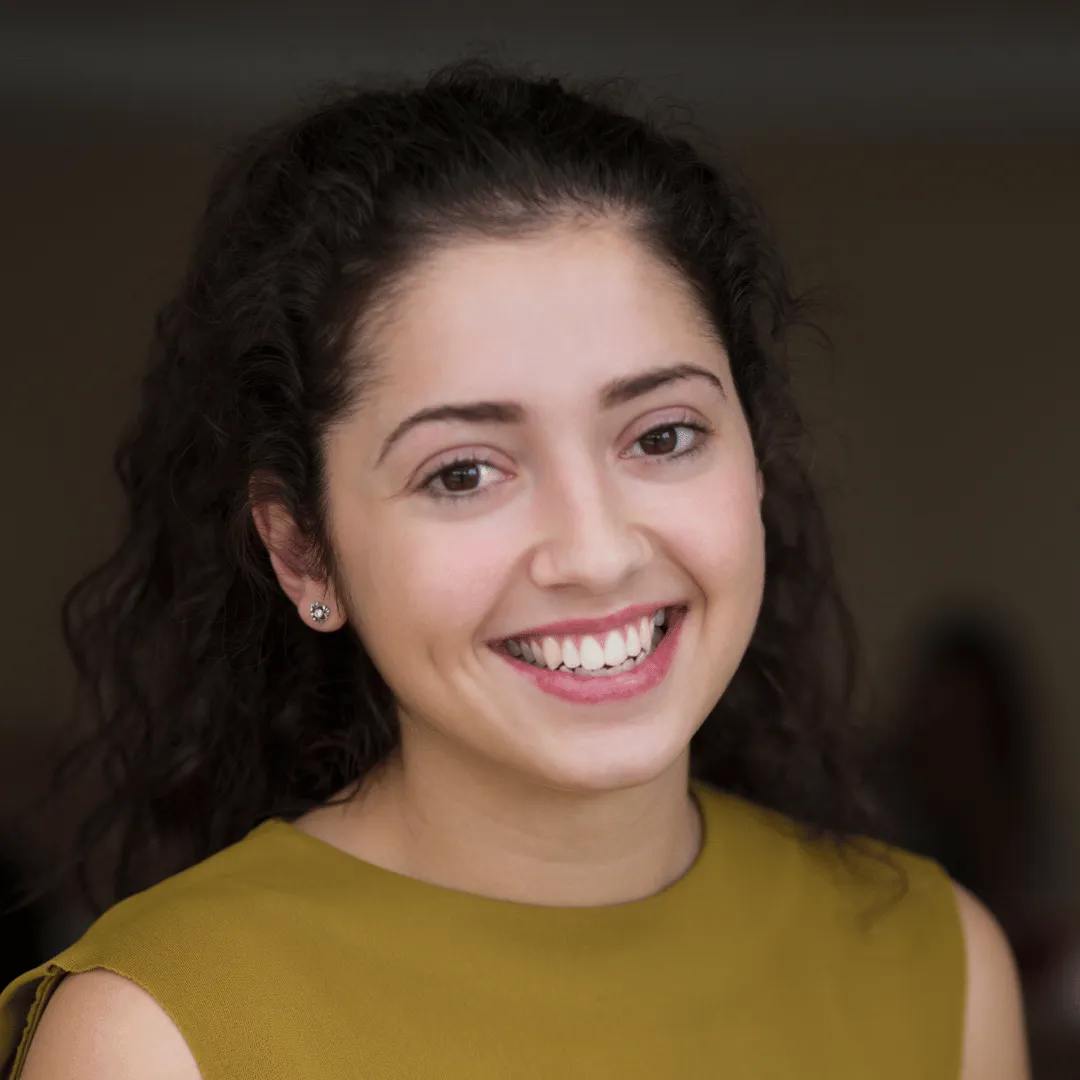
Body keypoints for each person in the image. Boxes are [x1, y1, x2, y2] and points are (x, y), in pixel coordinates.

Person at [0, 60, 1028, 1078]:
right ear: (303, 551)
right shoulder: (156, 1036)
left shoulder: (938, 964)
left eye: (663, 436)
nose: (596, 552)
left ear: (755, 458)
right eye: (463, 473)